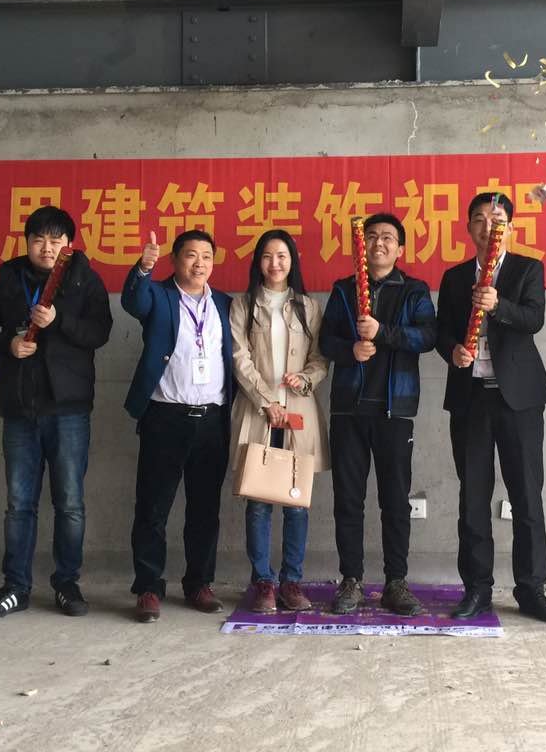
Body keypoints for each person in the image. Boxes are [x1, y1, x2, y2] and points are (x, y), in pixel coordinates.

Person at [0, 206, 113, 621]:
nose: (47, 248)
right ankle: (16, 586)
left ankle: (66, 583)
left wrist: (59, 321)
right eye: (38, 240)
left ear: (69, 244)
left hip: (69, 410)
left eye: (55, 240)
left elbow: (100, 332)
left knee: (70, 503)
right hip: (20, 411)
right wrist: (6, 345)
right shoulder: (10, 279)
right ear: (26, 242)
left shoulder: (84, 279)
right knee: (19, 504)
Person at [435, 192, 546, 623]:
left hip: (519, 400)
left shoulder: (528, 269)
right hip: (471, 398)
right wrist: (452, 351)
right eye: (478, 219)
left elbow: (534, 319)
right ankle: (477, 589)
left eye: (496, 219)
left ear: (510, 227)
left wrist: (498, 305)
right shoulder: (454, 278)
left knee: (526, 494)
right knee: (473, 496)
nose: (487, 227)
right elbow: (441, 331)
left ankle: (532, 589)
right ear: (468, 228)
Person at [318, 212, 436, 616]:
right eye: (371, 236)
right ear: (361, 245)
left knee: (395, 500)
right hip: (348, 409)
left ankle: (395, 582)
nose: (379, 243)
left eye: (388, 237)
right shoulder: (343, 289)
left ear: (400, 249)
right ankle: (351, 579)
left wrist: (383, 332)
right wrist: (350, 349)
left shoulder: (415, 290)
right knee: (348, 499)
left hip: (394, 410)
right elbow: (325, 341)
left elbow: (428, 336)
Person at [121, 229, 233, 623]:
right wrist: (143, 268)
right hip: (165, 417)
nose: (199, 263)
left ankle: (199, 583)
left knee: (205, 509)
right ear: (175, 259)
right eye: (190, 255)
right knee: (153, 508)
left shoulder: (224, 303)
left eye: (206, 256)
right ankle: (149, 587)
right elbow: (133, 301)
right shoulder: (158, 295)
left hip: (212, 419)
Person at [229, 230, 330, 613]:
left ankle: (291, 581)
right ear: (258, 261)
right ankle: (263, 582)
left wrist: (305, 378)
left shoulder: (308, 306)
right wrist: (265, 400)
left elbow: (321, 358)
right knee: (258, 502)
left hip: (298, 414)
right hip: (259, 414)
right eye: (268, 256)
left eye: (282, 256)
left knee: (296, 503)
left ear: (292, 261)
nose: (275, 263)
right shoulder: (243, 305)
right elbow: (239, 358)